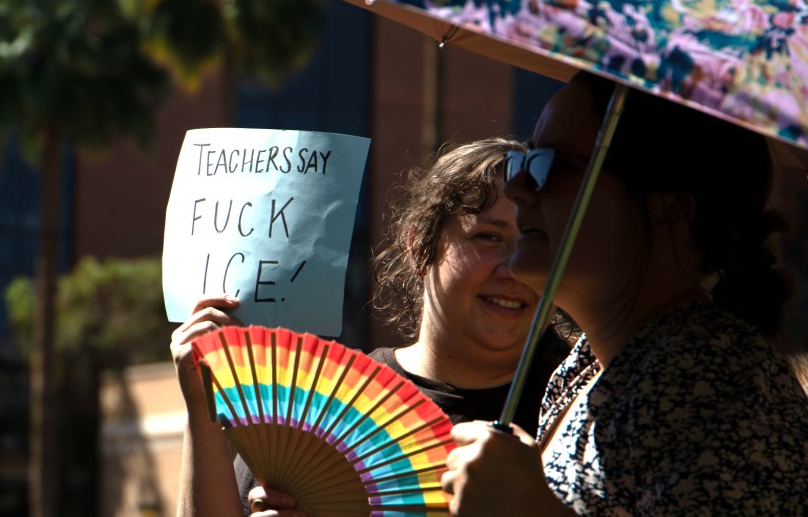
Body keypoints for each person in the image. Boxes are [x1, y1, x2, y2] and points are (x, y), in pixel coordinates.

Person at [440, 73, 808, 516]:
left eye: (555, 165)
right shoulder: (586, 368)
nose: (517, 188)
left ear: (666, 208)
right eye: (526, 161)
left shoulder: (714, 377)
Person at [170, 137, 573, 517]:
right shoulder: (320, 404)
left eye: (536, 244)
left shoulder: (584, 411)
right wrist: (202, 415)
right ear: (420, 245)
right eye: (489, 237)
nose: (516, 268)